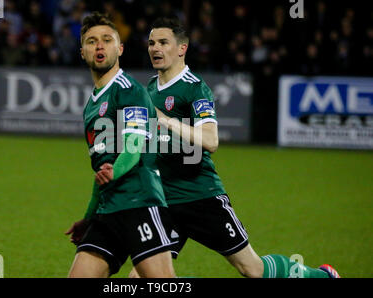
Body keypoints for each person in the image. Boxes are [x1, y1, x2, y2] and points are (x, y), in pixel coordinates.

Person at [128, 17, 340, 279]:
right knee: (140, 278)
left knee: (252, 269)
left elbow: (211, 140)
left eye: (163, 42)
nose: (155, 48)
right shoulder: (149, 87)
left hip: (200, 197)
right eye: (151, 43)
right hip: (165, 201)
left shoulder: (195, 89)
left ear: (182, 48)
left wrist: (165, 120)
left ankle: (322, 277)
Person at [64, 12, 177, 278]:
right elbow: (101, 170)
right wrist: (90, 216)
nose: (99, 46)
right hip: (108, 210)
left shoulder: (129, 89)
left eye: (106, 39)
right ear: (82, 52)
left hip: (139, 202)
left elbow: (134, 146)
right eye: (91, 41)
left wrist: (115, 171)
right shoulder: (91, 105)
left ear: (120, 48)